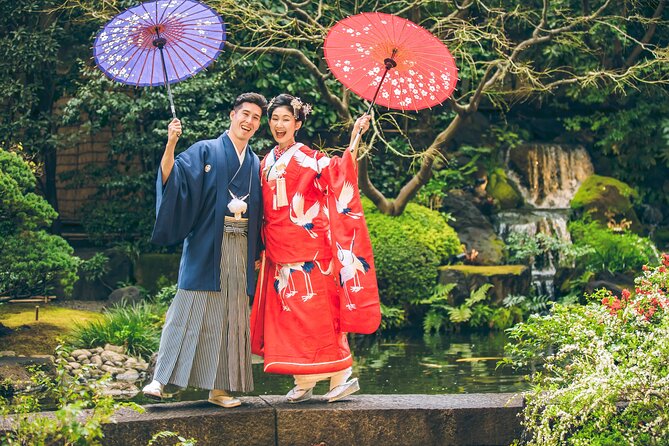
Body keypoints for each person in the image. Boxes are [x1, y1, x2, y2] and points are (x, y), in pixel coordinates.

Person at [250, 93, 381, 403]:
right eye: (274, 119)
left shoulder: (307, 156)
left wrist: (356, 136)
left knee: (320, 314)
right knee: (291, 315)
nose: (279, 125)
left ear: (297, 123)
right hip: (279, 250)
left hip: (310, 248)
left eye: (286, 119)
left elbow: (338, 171)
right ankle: (304, 377)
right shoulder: (267, 159)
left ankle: (341, 374)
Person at [142, 92, 267, 408]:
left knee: (231, 318)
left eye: (255, 117)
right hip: (206, 243)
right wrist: (171, 143)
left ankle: (220, 389)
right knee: (187, 307)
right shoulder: (205, 150)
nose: (249, 121)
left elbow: (263, 212)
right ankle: (162, 379)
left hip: (241, 246)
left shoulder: (254, 162)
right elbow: (174, 181)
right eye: (245, 114)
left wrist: (258, 251)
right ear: (232, 114)